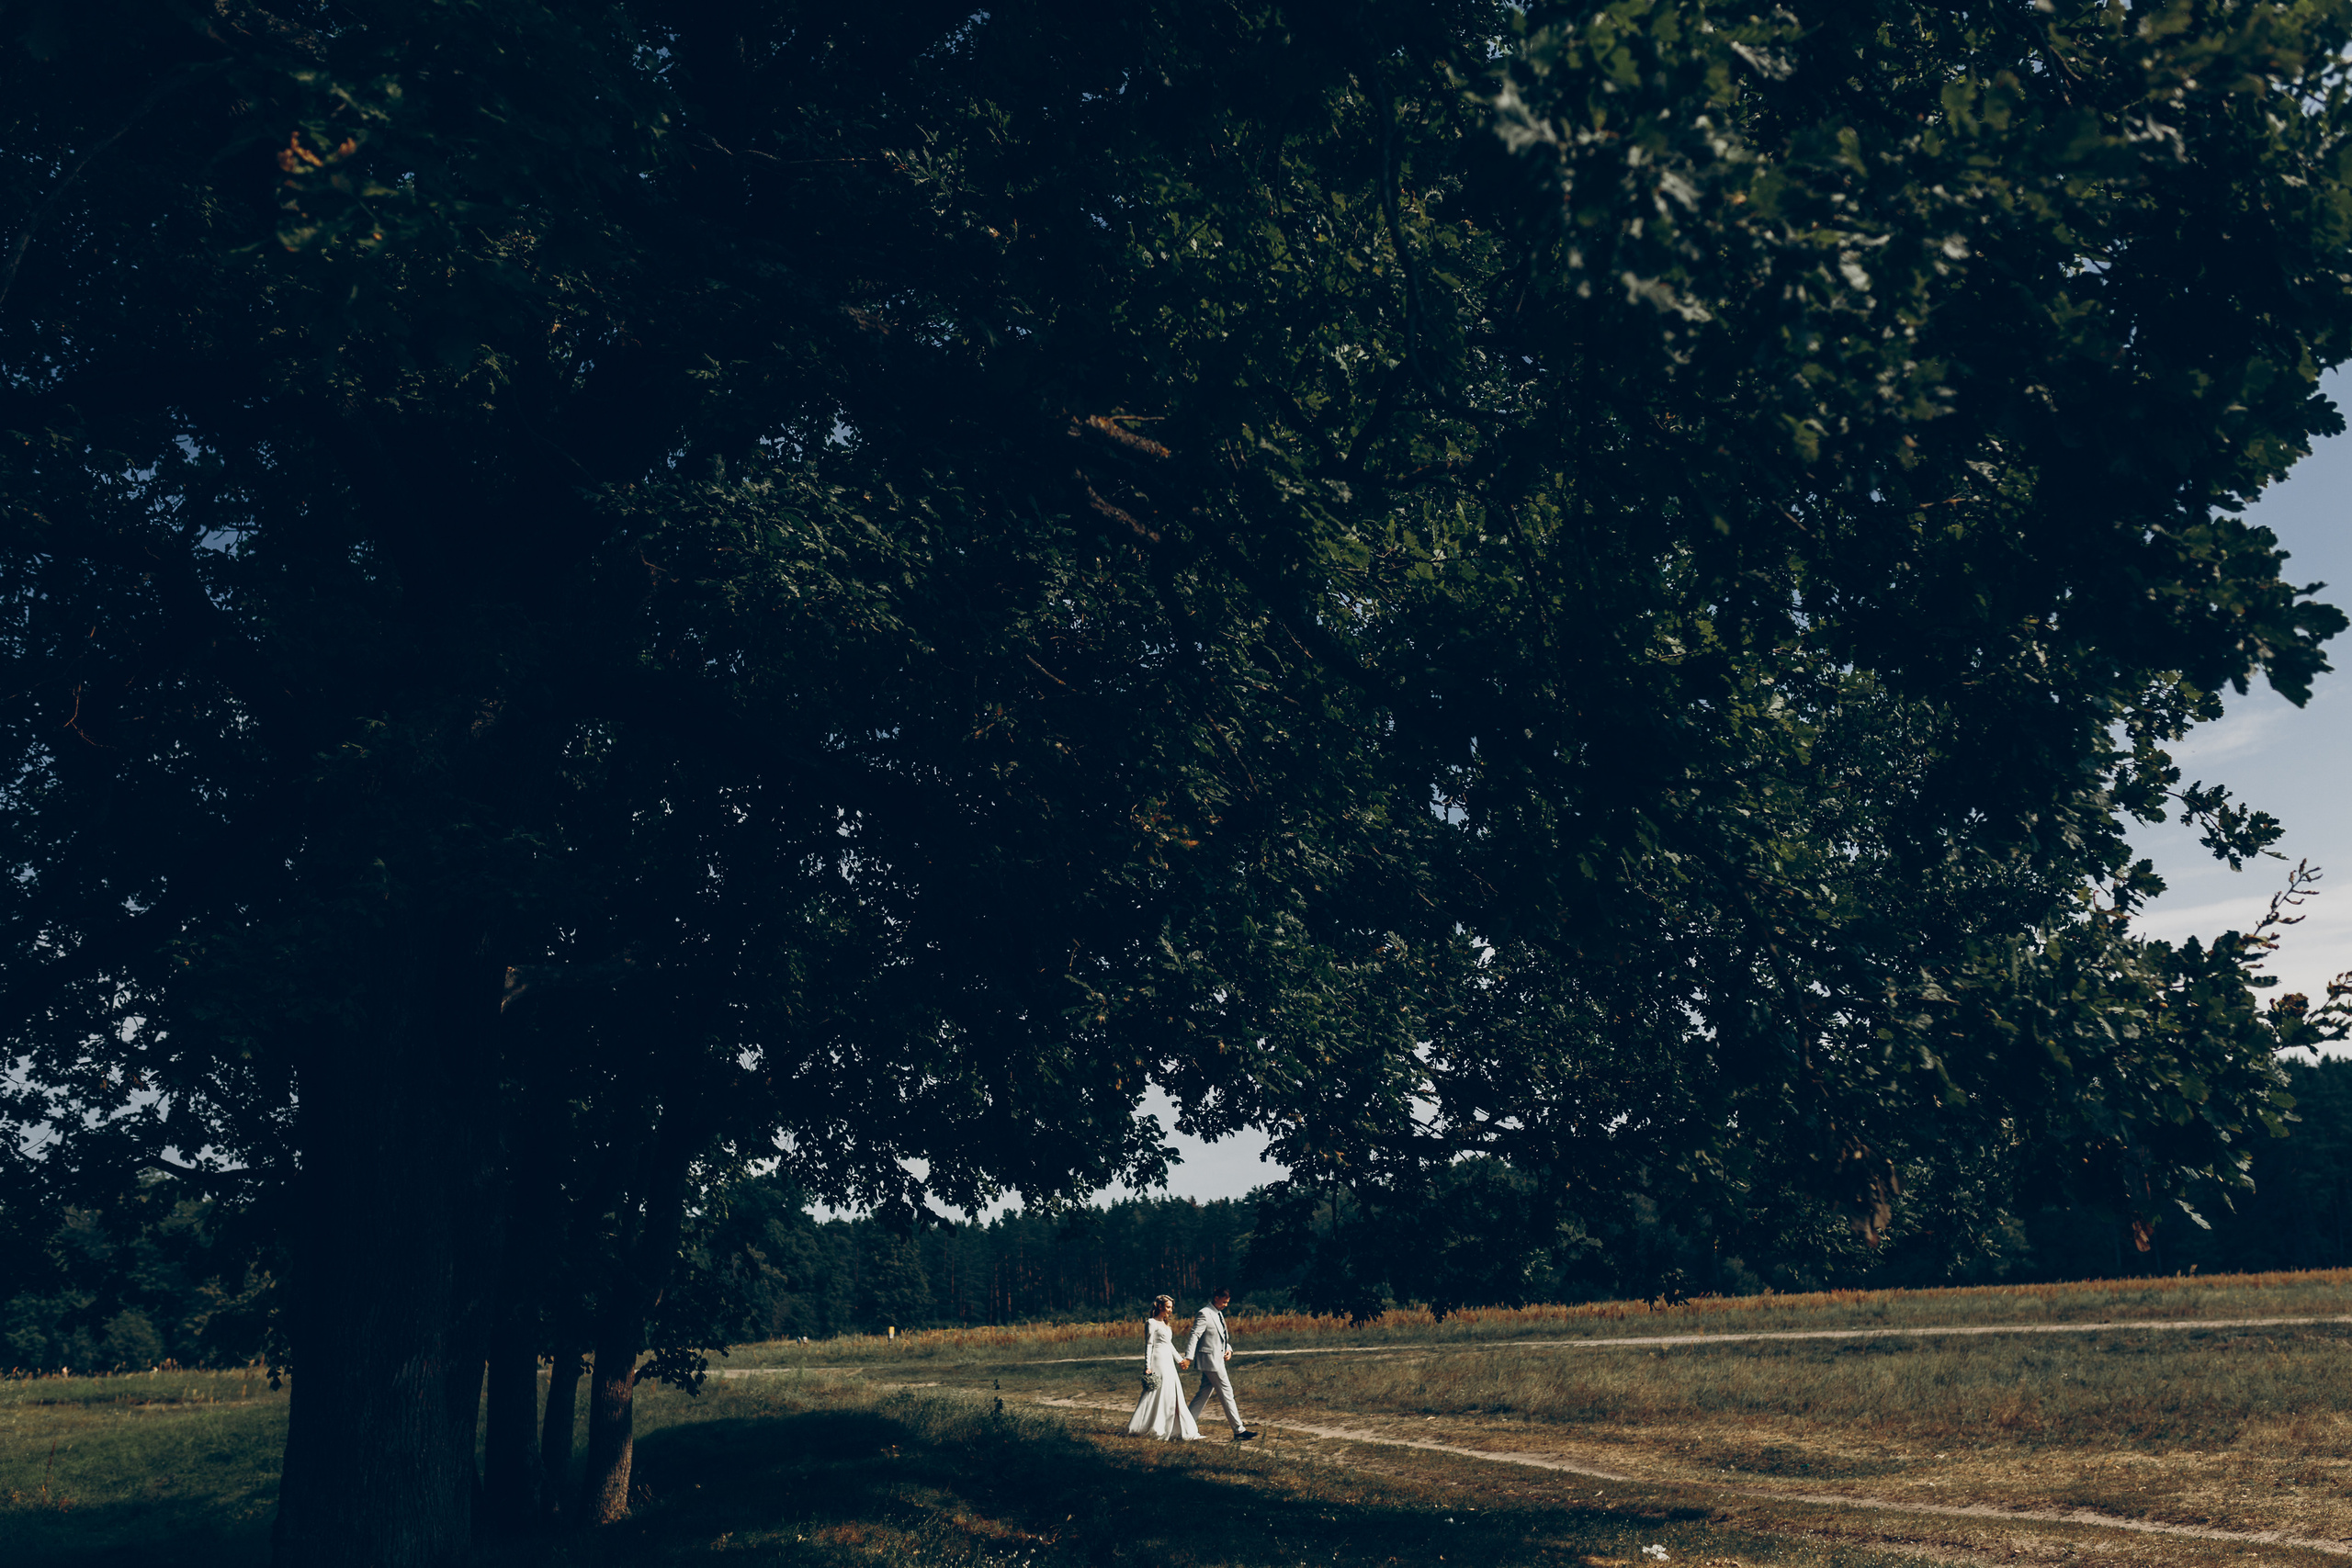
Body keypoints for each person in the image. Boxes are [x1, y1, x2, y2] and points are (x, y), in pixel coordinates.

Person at [1184, 1287, 1256, 1440]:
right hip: (1210, 1361)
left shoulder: (1218, 1314)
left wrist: (1229, 1349)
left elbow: (1222, 1337)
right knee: (1227, 1392)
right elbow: (1195, 1335)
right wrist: (1189, 1357)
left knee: (1203, 1393)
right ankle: (1238, 1430)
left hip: (1217, 1360)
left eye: (1227, 1302)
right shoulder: (1204, 1313)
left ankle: (1185, 1425)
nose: (1226, 1305)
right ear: (1216, 1298)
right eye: (1224, 1302)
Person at [1126, 1294, 1202, 1440]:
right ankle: (1150, 1426)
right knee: (1157, 1392)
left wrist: (1180, 1360)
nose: (1170, 1310)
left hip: (1168, 1361)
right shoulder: (1151, 1323)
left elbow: (1169, 1344)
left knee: (1172, 1392)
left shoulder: (1166, 1324)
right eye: (1168, 1307)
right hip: (1158, 1360)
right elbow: (1149, 1345)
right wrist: (1147, 1366)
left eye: (1171, 1307)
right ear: (1160, 1306)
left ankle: (1175, 1427)